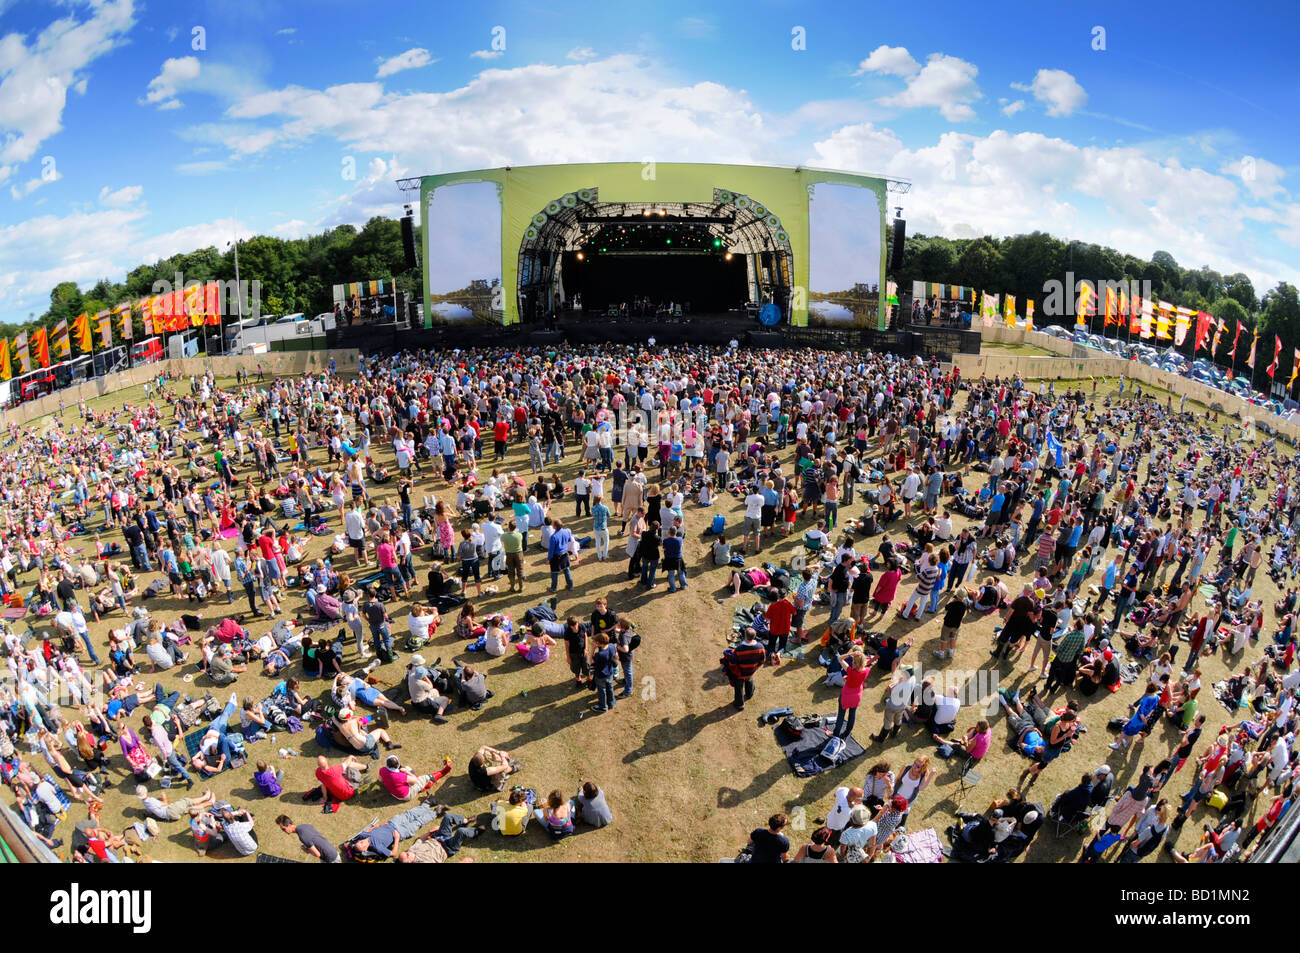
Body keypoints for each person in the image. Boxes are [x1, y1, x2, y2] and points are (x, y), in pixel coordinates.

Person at [723, 628, 767, 712]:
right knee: (749, 680)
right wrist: (755, 667)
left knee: (739, 687)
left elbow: (733, 663)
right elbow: (762, 661)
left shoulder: (739, 649)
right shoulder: (760, 647)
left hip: (740, 673)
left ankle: (739, 704)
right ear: (755, 636)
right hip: (751, 671)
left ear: (745, 636)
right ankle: (749, 694)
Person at [276, 815, 340, 863]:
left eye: (283, 829)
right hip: (332, 851)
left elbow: (317, 854)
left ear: (289, 825)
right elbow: (314, 838)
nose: (283, 831)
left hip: (331, 858)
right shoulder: (304, 826)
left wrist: (307, 851)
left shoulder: (302, 836)